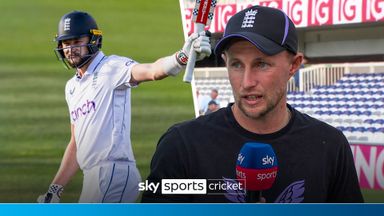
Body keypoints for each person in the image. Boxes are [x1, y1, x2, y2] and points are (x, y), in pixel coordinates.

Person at [141, 6, 363, 203]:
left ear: (293, 65)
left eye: (262, 64)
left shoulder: (330, 147)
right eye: (236, 64)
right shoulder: (182, 145)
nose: (246, 82)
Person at [37, 11, 211, 203]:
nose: (71, 48)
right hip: (92, 177)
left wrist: (181, 57)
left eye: (77, 41)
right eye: (66, 43)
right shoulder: (71, 87)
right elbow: (76, 142)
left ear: (93, 40)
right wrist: (55, 188)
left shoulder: (111, 67)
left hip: (114, 172)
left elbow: (152, 71)